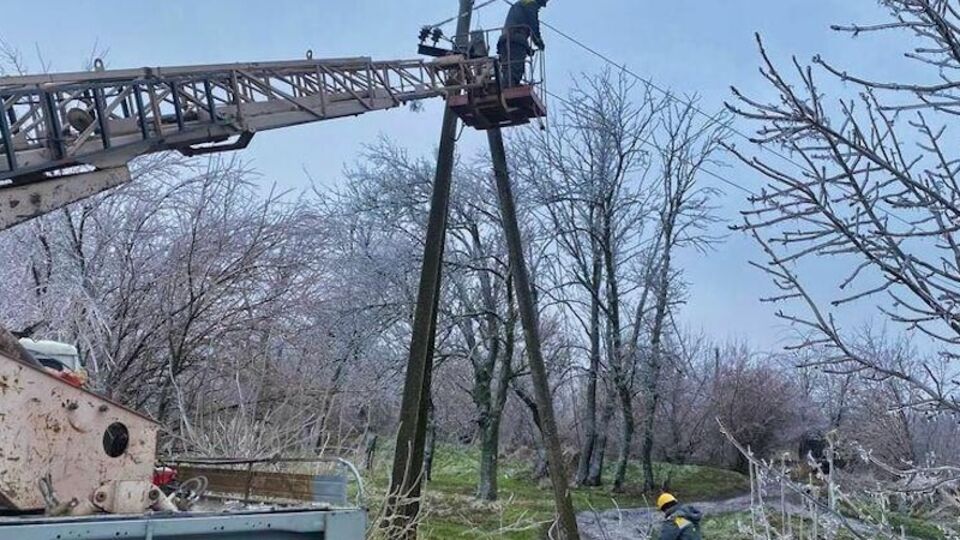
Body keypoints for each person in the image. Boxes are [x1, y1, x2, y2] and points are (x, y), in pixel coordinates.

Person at [497, 0, 547, 87]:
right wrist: (538, 41)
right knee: (516, 68)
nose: (541, 7)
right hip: (516, 41)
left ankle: (507, 86)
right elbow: (533, 24)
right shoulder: (530, 4)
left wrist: (528, 49)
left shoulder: (520, 4)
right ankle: (510, 87)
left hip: (505, 40)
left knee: (507, 67)